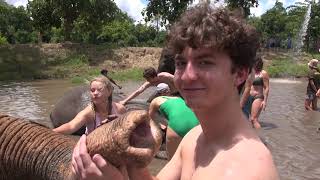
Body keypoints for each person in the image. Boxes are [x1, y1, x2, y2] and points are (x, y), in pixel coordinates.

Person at [71, 5, 279, 180]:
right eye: (181, 63)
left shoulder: (248, 170)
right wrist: (131, 162)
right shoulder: (195, 136)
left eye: (205, 62)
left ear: (240, 73)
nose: (187, 76)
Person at [53, 75, 126, 135]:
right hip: (94, 144)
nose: (95, 93)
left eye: (99, 89)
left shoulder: (119, 109)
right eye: (92, 90)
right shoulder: (89, 112)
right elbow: (71, 126)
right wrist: (51, 132)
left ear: (109, 92)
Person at [149, 95, 199, 159]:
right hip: (197, 124)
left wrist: (164, 125)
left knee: (173, 159)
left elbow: (152, 118)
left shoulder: (155, 100)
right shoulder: (180, 99)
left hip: (178, 124)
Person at [247, 57, 270, 129]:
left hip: (258, 97)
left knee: (254, 119)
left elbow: (266, 88)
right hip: (248, 97)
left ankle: (260, 137)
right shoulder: (250, 71)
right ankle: (252, 136)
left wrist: (265, 101)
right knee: (248, 119)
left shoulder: (263, 73)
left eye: (255, 63)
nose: (254, 65)